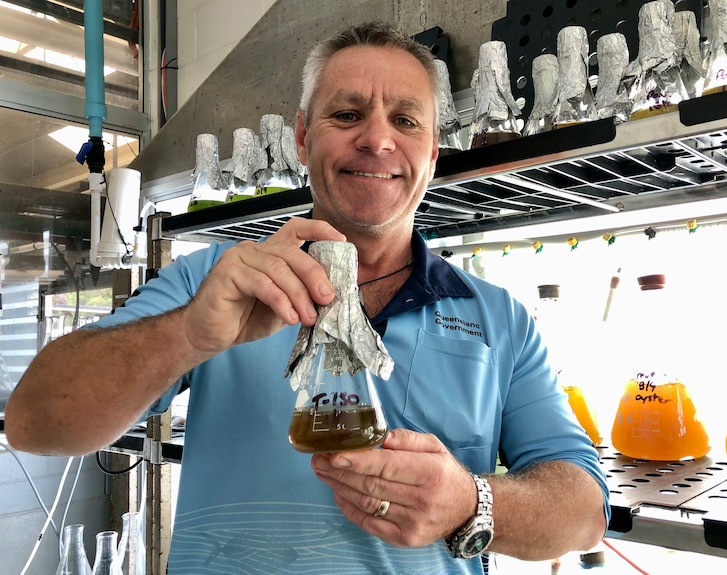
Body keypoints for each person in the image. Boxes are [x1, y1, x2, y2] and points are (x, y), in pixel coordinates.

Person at [6, 21, 609, 574]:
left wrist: (470, 502)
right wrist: (188, 333)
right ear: (301, 137)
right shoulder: (213, 282)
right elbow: (34, 423)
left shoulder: (500, 320)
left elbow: (585, 512)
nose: (376, 140)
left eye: (405, 120)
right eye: (346, 114)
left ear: (432, 151)